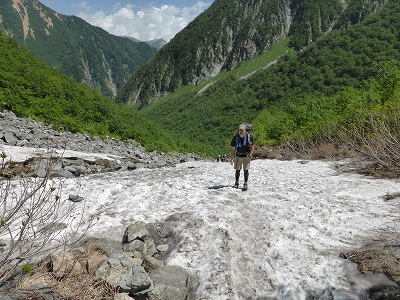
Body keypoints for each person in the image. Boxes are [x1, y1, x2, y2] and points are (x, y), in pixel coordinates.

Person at [229, 123, 254, 190]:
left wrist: (250, 156)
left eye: (242, 130)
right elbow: (232, 149)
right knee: (237, 170)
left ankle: (245, 184)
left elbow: (252, 147)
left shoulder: (249, 137)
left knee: (246, 170)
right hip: (238, 155)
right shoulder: (235, 138)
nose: (241, 131)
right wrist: (231, 158)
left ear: (245, 130)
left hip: (246, 156)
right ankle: (236, 183)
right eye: (240, 130)